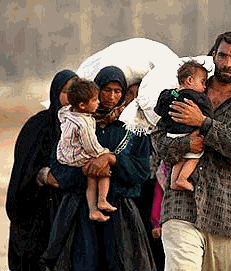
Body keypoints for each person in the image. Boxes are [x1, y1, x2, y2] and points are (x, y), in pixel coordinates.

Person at [151, 31, 231, 271]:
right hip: (180, 207)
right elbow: (158, 142)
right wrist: (185, 145)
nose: (227, 63)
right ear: (213, 55)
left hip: (224, 213)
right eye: (222, 55)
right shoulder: (185, 95)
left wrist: (204, 123)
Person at [39, 66, 156, 271]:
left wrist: (113, 160)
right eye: (106, 90)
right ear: (96, 90)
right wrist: (87, 170)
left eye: (117, 91)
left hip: (121, 213)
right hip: (79, 213)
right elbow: (59, 165)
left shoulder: (133, 126)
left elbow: (142, 171)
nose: (111, 96)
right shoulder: (75, 124)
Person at [6, 70, 78, 271]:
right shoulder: (37, 125)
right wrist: (43, 175)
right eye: (66, 92)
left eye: (76, 92)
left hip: (69, 210)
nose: (71, 98)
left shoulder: (84, 125)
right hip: (38, 209)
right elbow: (23, 169)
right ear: (56, 93)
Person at [56, 79, 117, 222]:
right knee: (103, 168)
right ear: (82, 105)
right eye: (95, 100)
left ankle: (93, 210)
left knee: (91, 180)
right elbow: (90, 145)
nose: (98, 103)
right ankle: (102, 199)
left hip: (65, 154)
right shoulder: (84, 122)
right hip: (77, 156)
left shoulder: (67, 112)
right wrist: (104, 153)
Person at [154, 60, 212, 191]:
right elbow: (208, 112)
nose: (204, 87)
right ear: (190, 80)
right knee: (195, 156)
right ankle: (183, 178)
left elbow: (159, 110)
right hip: (188, 132)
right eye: (203, 82)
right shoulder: (197, 97)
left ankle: (174, 181)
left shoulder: (171, 94)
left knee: (179, 158)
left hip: (171, 134)